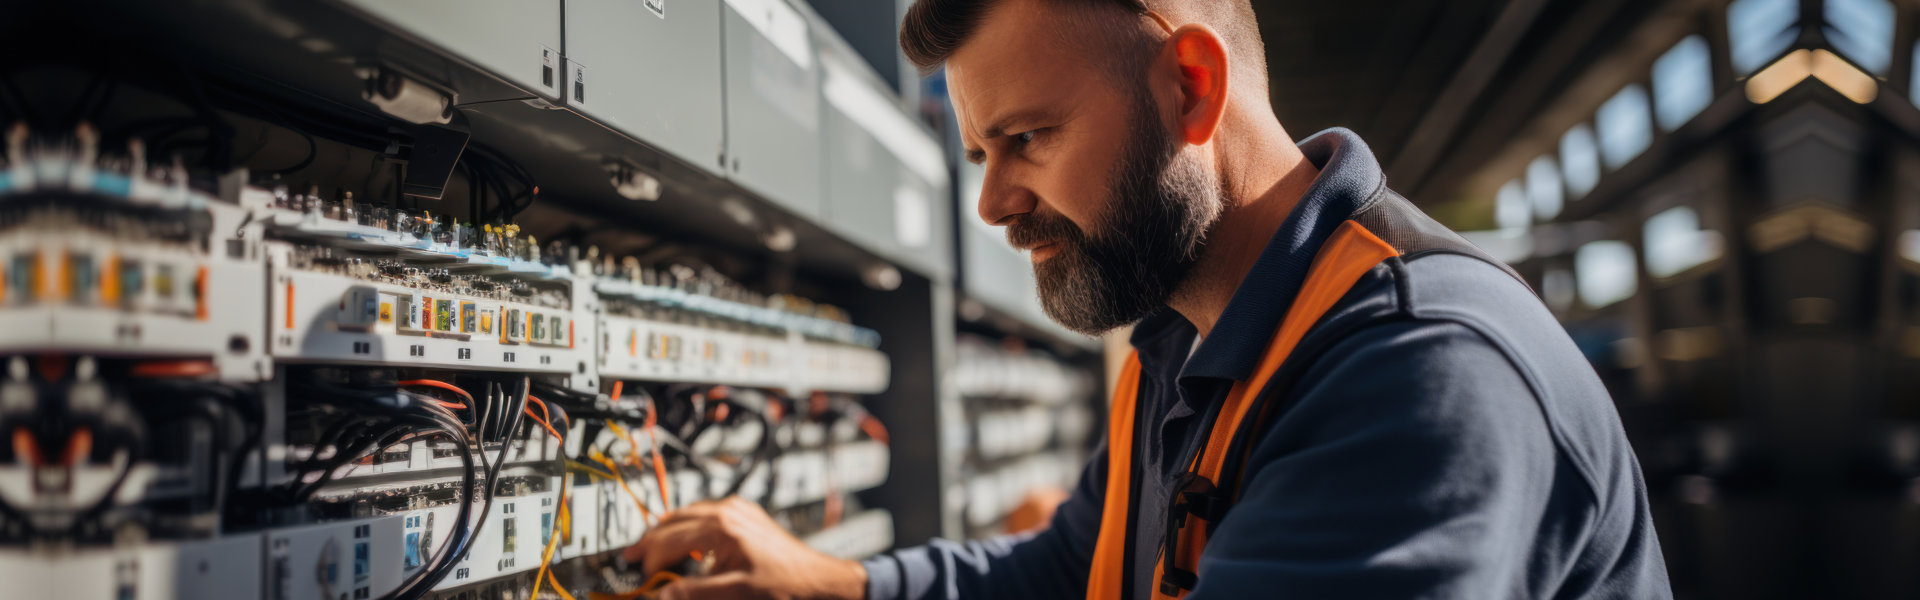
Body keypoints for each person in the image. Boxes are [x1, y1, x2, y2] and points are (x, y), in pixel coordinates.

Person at [622, 0, 1673, 598]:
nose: (990, 202)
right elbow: (1073, 569)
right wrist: (833, 585)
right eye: (980, 151)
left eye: (1026, 139)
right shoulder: (1185, 345)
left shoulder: (1419, 368)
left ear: (1193, 87)